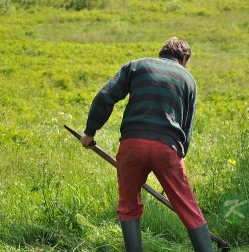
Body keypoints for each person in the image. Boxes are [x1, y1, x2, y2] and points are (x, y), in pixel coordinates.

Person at [80, 38, 213, 252]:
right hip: (167, 149)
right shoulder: (188, 80)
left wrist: (89, 133)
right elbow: (187, 127)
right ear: (185, 58)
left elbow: (105, 97)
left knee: (129, 206)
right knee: (188, 207)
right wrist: (178, 158)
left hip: (132, 145)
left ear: (162, 53)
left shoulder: (136, 66)